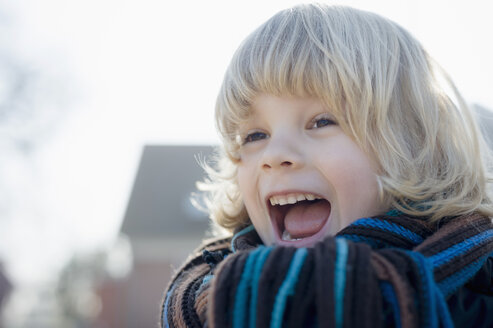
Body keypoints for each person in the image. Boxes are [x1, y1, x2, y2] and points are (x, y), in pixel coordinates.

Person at [161, 4, 493, 327]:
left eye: (322, 122)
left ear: (416, 145)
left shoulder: (475, 305)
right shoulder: (208, 303)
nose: (274, 155)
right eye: (255, 135)